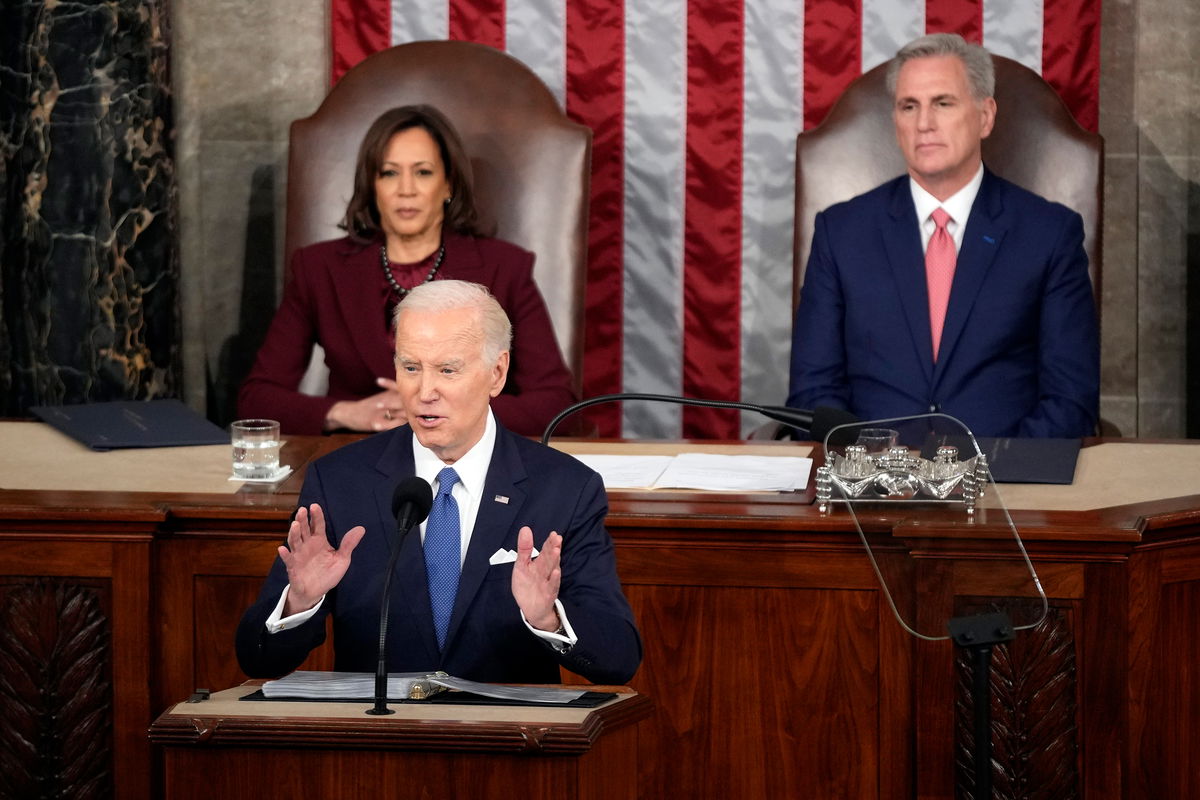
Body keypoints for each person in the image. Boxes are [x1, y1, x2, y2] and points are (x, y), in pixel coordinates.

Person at [236, 280, 641, 685]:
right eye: (411, 368)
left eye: (447, 370)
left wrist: (547, 618)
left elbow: (619, 658)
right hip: (379, 739)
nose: (424, 391)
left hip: (506, 740)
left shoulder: (565, 488)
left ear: (496, 373)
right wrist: (298, 603)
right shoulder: (341, 481)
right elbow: (257, 661)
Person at [787, 33, 1099, 438]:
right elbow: (814, 392)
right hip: (872, 488)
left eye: (943, 103)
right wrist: (875, 474)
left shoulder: (1049, 234)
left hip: (1004, 487)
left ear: (985, 116)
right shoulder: (842, 232)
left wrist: (996, 475)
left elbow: (1070, 400)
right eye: (908, 106)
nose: (924, 124)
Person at [238, 104, 576, 436]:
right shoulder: (319, 269)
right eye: (389, 173)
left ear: (448, 185)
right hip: (360, 456)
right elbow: (257, 399)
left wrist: (453, 411)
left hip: (469, 457)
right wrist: (346, 413)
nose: (406, 189)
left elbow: (557, 403)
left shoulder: (505, 268)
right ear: (373, 186)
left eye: (423, 172)